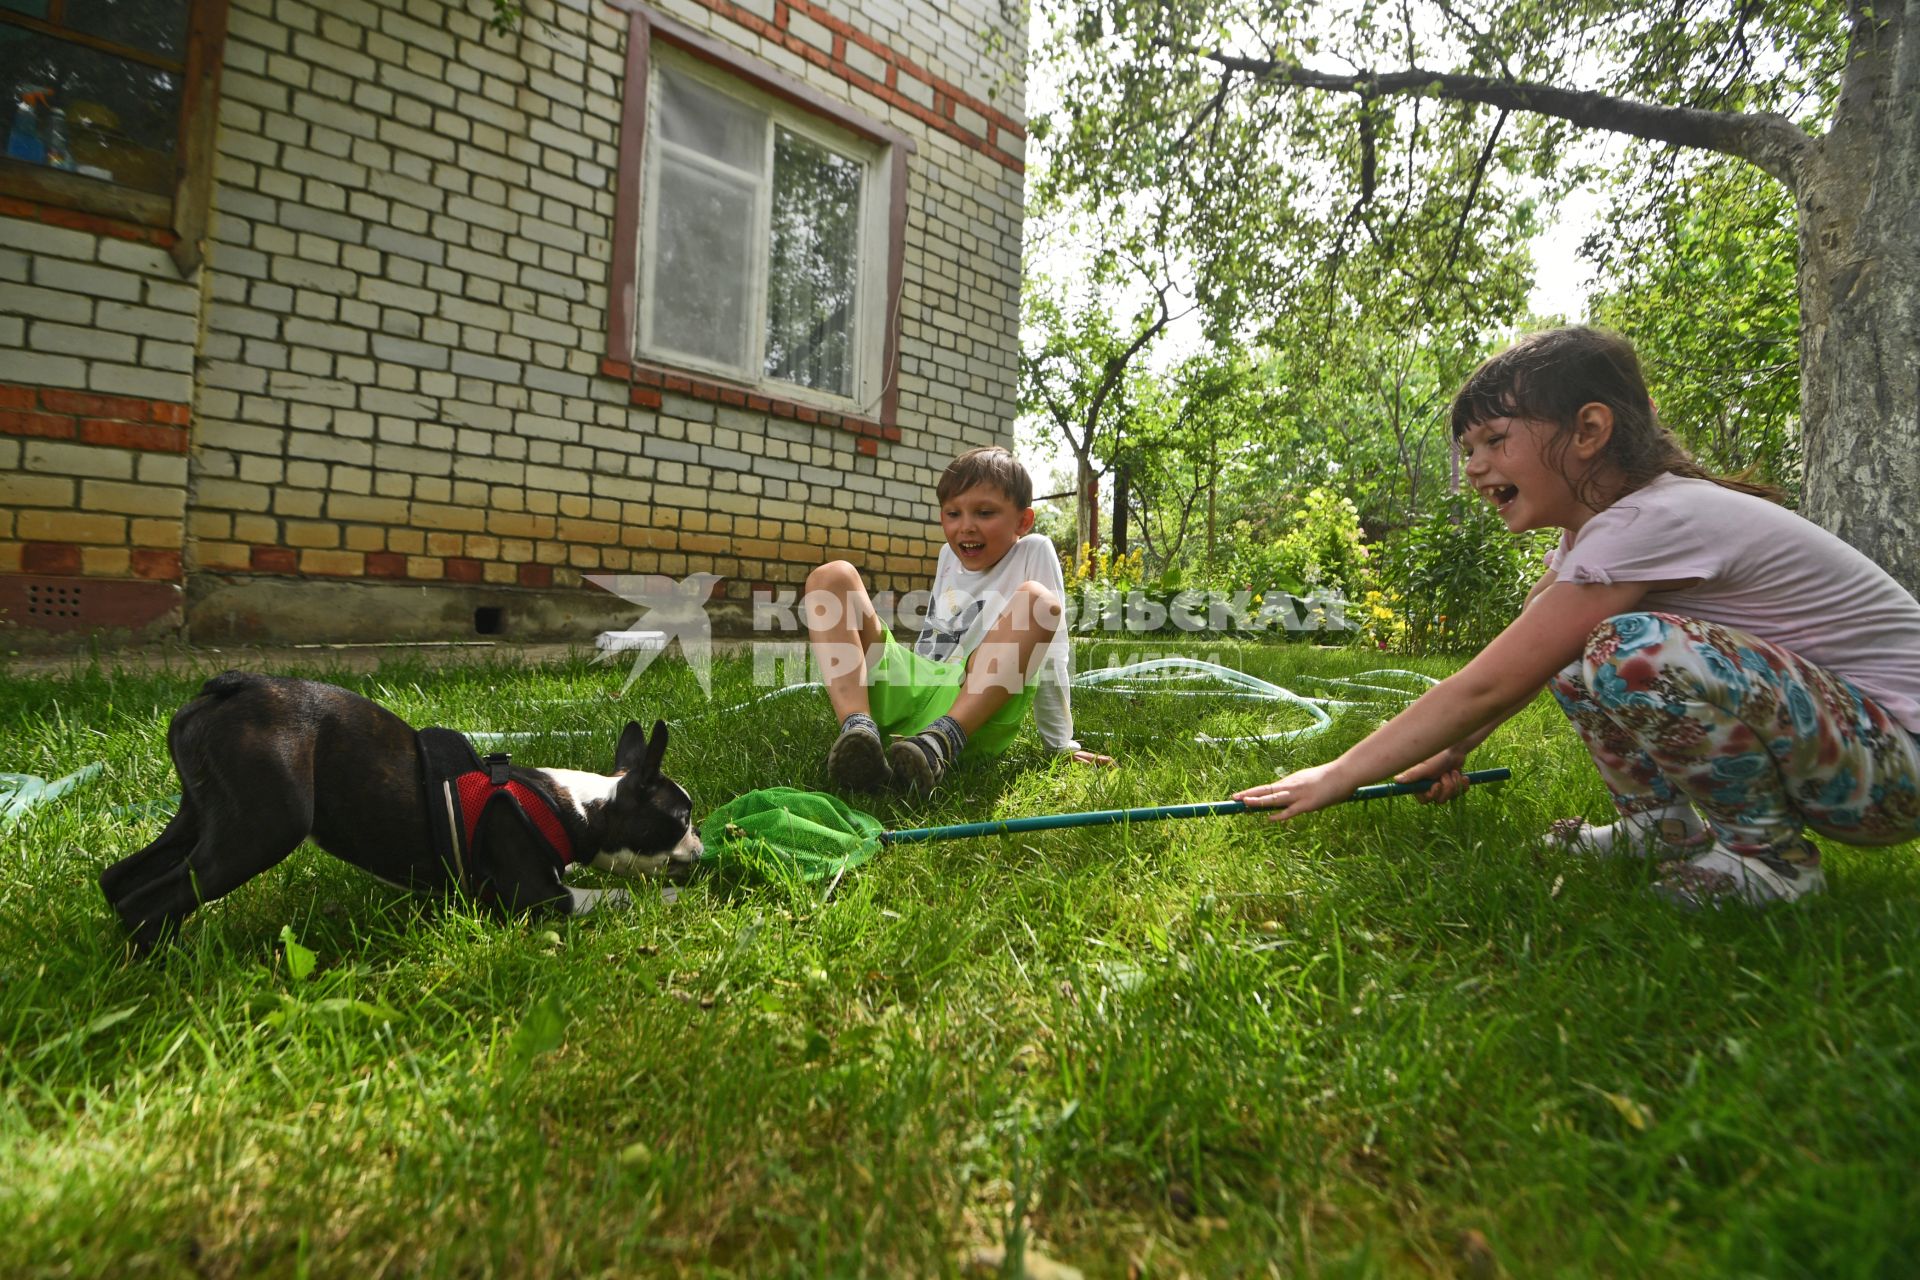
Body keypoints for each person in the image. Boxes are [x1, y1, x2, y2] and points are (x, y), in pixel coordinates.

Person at [1234, 326, 1920, 908]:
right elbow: (1525, 661)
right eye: (1467, 449)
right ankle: (1658, 826)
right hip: (1855, 752)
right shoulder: (1598, 536)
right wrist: (1452, 750)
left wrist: (1338, 772)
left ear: (1590, 429)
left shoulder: (1653, 518)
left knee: (1632, 651)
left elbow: (1485, 684)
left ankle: (1770, 865)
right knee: (1579, 649)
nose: (1474, 467)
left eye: (1494, 440)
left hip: (1895, 768)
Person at [803, 445, 1113, 795]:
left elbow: (1052, 651)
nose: (966, 527)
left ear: (1023, 521)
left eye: (984, 513)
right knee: (832, 577)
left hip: (972, 707)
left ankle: (940, 743)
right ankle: (858, 729)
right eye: (953, 514)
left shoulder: (1033, 550)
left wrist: (1058, 744)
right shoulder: (948, 555)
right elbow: (938, 634)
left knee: (1039, 602)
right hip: (917, 690)